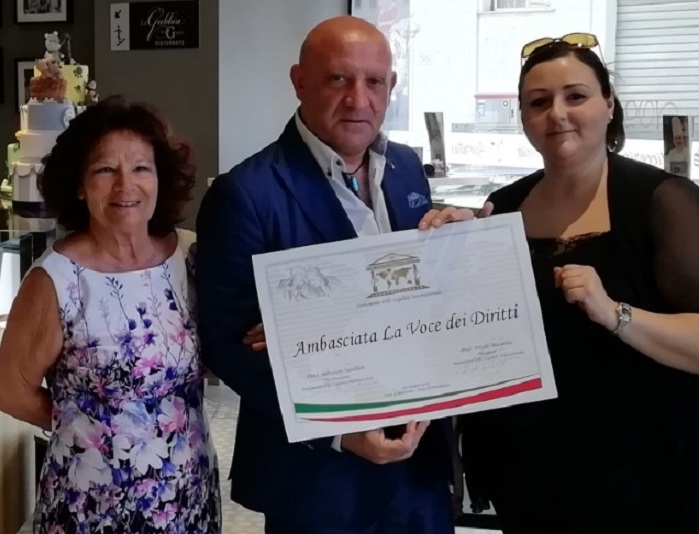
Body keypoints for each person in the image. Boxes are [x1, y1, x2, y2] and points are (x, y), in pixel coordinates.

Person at [196, 15, 491, 534]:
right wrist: (337, 431)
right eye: (338, 79)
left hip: (418, 465)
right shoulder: (244, 193)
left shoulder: (406, 166)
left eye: (374, 81)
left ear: (391, 86)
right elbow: (226, 344)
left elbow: (418, 297)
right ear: (299, 81)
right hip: (317, 479)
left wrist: (462, 250)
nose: (359, 99)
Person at [459, 34, 699, 533]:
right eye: (538, 102)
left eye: (576, 95)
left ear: (609, 104)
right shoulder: (502, 209)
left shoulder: (664, 201)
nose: (558, 114)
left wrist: (616, 314)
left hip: (644, 473)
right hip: (528, 471)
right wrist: (443, 254)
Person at [0, 96, 221, 533]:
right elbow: (10, 390)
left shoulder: (190, 255)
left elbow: (214, 355)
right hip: (91, 506)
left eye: (141, 168)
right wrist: (89, 425)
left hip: (188, 492)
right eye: (105, 170)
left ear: (160, 178)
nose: (125, 186)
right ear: (80, 185)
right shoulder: (55, 280)